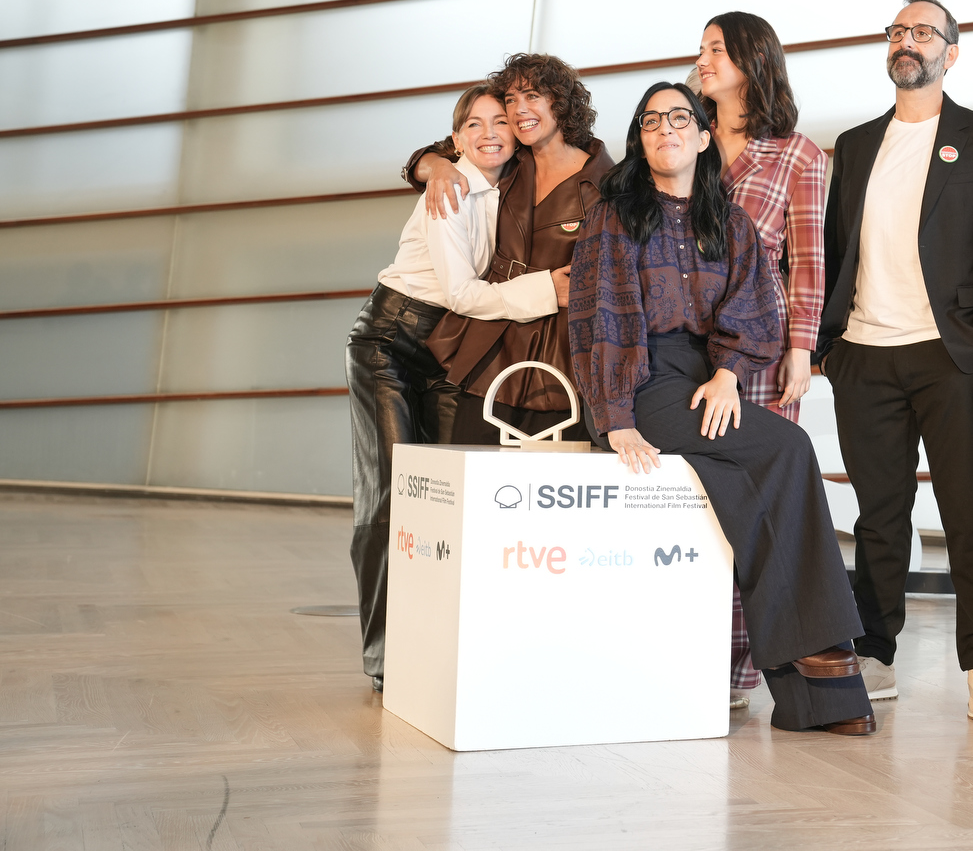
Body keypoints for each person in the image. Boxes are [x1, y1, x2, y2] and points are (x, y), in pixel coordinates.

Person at [569, 82, 875, 736]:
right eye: (651, 120)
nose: (666, 128)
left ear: (705, 136)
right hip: (641, 381)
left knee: (746, 483)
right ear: (640, 139)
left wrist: (730, 376)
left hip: (702, 377)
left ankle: (808, 693)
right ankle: (818, 653)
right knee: (787, 447)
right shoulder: (613, 216)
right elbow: (600, 319)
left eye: (680, 117)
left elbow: (756, 309)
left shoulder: (728, 221)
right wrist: (615, 418)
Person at [815, 0, 973, 721]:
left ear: (951, 53)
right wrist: (830, 344)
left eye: (925, 33)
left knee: (971, 512)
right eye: (899, 31)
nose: (909, 41)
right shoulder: (855, 144)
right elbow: (835, 245)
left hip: (950, 352)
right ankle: (875, 652)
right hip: (864, 353)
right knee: (879, 516)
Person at [349, 85, 546, 692]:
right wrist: (549, 290)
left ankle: (436, 643)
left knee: (443, 498)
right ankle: (386, 657)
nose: (489, 133)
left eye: (500, 122)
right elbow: (461, 293)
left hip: (447, 350)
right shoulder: (450, 187)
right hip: (390, 343)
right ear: (457, 138)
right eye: (474, 125)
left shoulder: (515, 184)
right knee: (389, 495)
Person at [694, 11, 828, 706]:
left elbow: (808, 261)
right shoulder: (684, 140)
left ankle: (739, 669)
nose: (703, 60)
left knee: (754, 503)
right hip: (683, 346)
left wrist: (802, 348)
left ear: (753, 60)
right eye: (702, 49)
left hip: (760, 350)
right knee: (697, 498)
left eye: (717, 49)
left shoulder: (797, 155)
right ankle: (690, 648)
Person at [401, 54, 612, 441]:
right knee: (468, 460)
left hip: (562, 345)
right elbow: (440, 151)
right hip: (489, 334)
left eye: (532, 96)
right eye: (511, 100)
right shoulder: (509, 160)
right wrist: (437, 166)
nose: (519, 110)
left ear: (561, 102)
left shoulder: (606, 183)